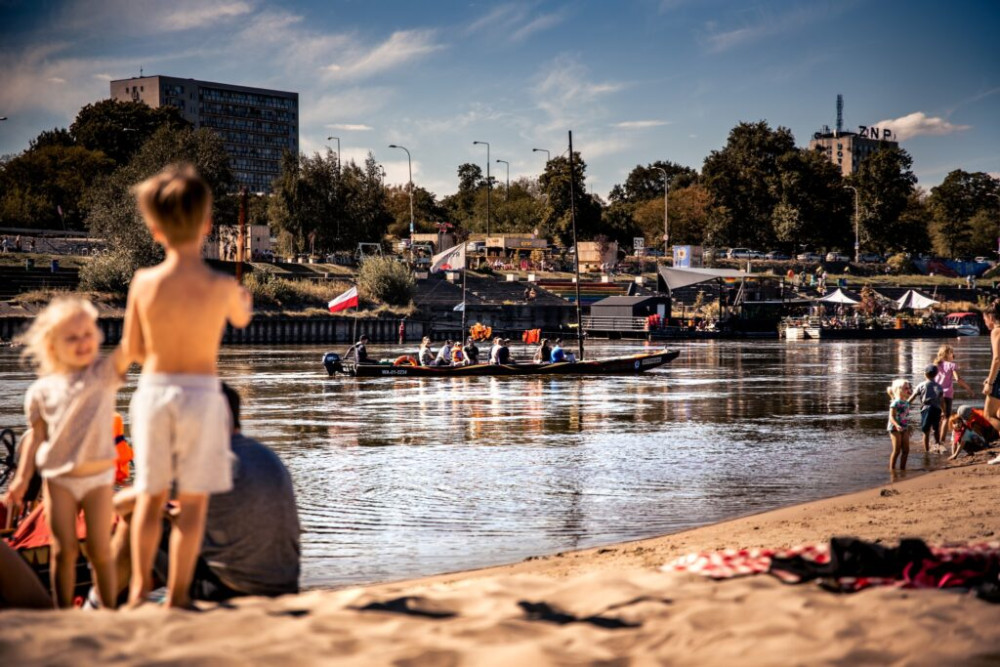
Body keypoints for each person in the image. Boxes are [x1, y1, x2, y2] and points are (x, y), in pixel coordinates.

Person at [125, 164, 253, 609]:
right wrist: (242, 301)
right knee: (193, 505)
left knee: (149, 496)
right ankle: (178, 596)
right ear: (207, 225)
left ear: (154, 228)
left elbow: (133, 349)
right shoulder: (220, 284)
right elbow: (241, 319)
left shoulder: (143, 283)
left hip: (154, 391)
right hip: (201, 395)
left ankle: (137, 591)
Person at [110, 384, 300, 603]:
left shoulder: (204, 459)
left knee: (136, 516)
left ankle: (101, 600)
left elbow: (121, 504)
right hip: (285, 586)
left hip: (227, 590)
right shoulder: (265, 454)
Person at [3, 297, 132, 609]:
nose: (82, 342)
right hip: (58, 480)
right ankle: (62, 612)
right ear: (51, 346)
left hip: (98, 478)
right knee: (63, 551)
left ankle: (107, 609)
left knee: (101, 550)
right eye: (71, 338)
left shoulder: (103, 374)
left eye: (87, 334)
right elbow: (36, 438)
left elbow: (132, 347)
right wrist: (21, 480)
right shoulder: (40, 391)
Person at [934, 344, 973, 443]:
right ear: (947, 354)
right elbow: (958, 379)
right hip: (947, 394)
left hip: (935, 393)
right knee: (946, 417)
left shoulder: (936, 365)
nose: (954, 355)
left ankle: (935, 440)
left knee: (939, 417)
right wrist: (968, 388)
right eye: (952, 353)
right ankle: (941, 441)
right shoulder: (952, 365)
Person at [908, 365, 944, 453]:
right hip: (937, 409)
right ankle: (938, 447)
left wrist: (905, 404)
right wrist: (944, 411)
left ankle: (926, 451)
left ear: (925, 374)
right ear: (936, 374)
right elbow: (942, 400)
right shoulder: (939, 386)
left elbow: (912, 397)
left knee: (926, 430)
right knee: (936, 429)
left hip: (926, 409)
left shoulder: (921, 385)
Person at [982, 299, 1000, 436]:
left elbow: (997, 359)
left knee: (988, 415)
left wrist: (990, 382)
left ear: (991, 317)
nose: (985, 323)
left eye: (985, 319)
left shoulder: (996, 331)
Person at [886, 379, 911, 470]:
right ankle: (892, 469)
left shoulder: (906, 402)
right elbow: (891, 417)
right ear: (898, 390)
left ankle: (902, 469)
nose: (908, 390)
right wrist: (897, 425)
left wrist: (909, 428)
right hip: (894, 428)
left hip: (904, 427)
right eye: (906, 388)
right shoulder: (895, 402)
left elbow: (906, 416)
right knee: (896, 451)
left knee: (906, 450)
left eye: (908, 388)